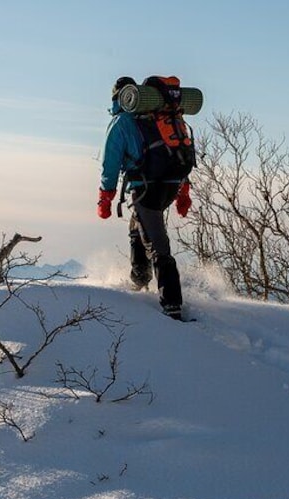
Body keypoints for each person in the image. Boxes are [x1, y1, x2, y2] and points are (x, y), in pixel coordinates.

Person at [97, 76, 192, 320]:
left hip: (147, 188)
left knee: (157, 244)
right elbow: (178, 156)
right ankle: (140, 280)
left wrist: (105, 198)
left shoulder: (122, 122)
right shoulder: (162, 117)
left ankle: (172, 305)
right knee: (138, 223)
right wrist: (183, 193)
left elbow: (110, 163)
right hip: (170, 185)